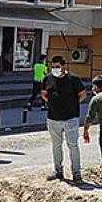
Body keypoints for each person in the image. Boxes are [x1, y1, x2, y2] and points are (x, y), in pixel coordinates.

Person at [42, 56, 87, 184]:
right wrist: (53, 103)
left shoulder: (73, 79)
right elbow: (44, 94)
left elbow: (83, 94)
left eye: (57, 66)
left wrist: (72, 104)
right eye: (53, 67)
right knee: (56, 145)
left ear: (63, 66)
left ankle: (76, 173)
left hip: (71, 118)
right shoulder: (48, 78)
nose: (55, 69)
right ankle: (58, 171)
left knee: (73, 145)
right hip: (53, 118)